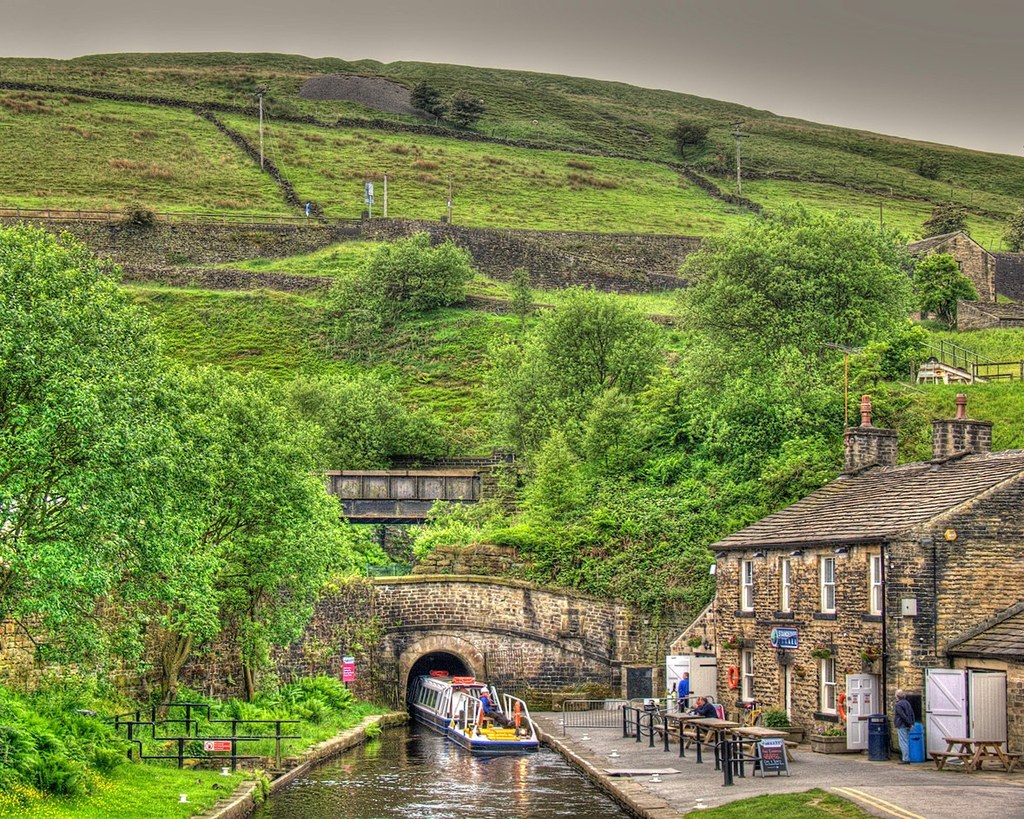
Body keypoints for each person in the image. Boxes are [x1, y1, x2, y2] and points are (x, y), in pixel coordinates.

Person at [894, 689, 915, 763]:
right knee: (906, 741)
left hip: (902, 725)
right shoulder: (907, 703)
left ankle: (905, 759)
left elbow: (902, 715)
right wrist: (912, 723)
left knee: (903, 742)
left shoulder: (898, 704)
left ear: (897, 696)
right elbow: (912, 714)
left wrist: (909, 723)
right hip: (908, 725)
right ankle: (906, 757)